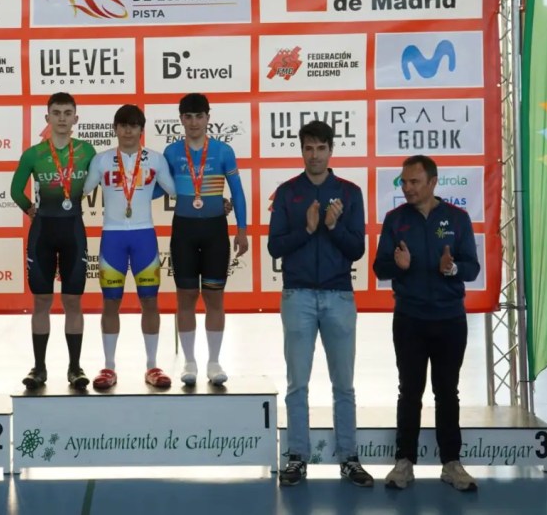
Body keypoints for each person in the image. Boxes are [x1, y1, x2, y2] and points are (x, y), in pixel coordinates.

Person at [267, 120, 373, 488]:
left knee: (344, 385)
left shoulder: (349, 192)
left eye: (321, 148)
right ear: (301, 150)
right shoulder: (287, 192)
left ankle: (349, 458)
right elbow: (275, 247)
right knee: (297, 384)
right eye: (308, 148)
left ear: (331, 150)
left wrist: (332, 226)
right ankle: (297, 457)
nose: (314, 155)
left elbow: (356, 249)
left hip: (338, 296)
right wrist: (308, 229)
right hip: (297, 296)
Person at [373, 154, 481, 492]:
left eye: (414, 182)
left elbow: (472, 268)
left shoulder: (457, 218)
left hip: (450, 320)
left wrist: (452, 268)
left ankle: (452, 464)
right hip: (410, 319)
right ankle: (404, 463)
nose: (407, 188)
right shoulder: (395, 220)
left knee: (447, 392)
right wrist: (398, 265)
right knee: (410, 392)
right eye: (404, 182)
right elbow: (379, 268)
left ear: (433, 182)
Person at [83, 105, 176, 390]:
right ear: (115, 128)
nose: (128, 131)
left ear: (141, 130)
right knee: (111, 302)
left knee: (150, 300)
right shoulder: (101, 160)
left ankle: (152, 365)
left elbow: (174, 190)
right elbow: (80, 191)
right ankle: (109, 367)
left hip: (144, 236)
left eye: (133, 125)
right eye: (123, 125)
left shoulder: (156, 159)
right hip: (112, 237)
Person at [10, 93, 97, 390]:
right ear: (47, 118)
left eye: (67, 113)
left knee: (73, 301)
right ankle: (39, 368)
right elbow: (15, 190)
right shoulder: (33, 154)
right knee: (41, 301)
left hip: (73, 231)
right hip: (43, 232)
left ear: (75, 118)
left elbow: (100, 181)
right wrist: (30, 210)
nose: (62, 118)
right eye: (56, 113)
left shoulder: (87, 151)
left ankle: (75, 368)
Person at [161, 93, 248, 386]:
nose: (194, 122)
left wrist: (242, 230)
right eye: (188, 117)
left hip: (215, 232)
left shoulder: (223, 151)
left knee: (214, 297)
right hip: (183, 231)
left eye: (199, 116)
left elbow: (237, 193)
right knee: (185, 297)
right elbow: (161, 188)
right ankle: (189, 361)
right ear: (181, 119)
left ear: (208, 118)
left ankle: (213, 361)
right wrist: (131, 191)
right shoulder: (172, 152)